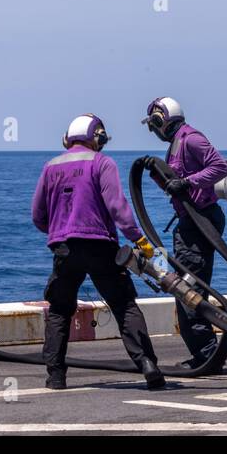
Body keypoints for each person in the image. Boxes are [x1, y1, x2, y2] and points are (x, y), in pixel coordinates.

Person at [31, 114, 164, 391]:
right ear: (98, 137)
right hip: (101, 246)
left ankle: (56, 377)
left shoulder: (50, 167)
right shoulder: (102, 163)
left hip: (65, 249)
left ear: (67, 138)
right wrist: (139, 239)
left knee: (59, 310)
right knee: (124, 305)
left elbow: (38, 216)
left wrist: (58, 231)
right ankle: (148, 366)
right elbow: (117, 207)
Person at [143, 97, 227, 370]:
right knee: (185, 289)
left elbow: (220, 168)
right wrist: (160, 175)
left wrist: (187, 182)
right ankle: (204, 354)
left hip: (200, 221)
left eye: (154, 125)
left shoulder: (191, 139)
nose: (154, 131)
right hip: (189, 223)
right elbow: (175, 186)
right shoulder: (176, 145)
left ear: (163, 120)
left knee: (188, 289)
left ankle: (207, 356)